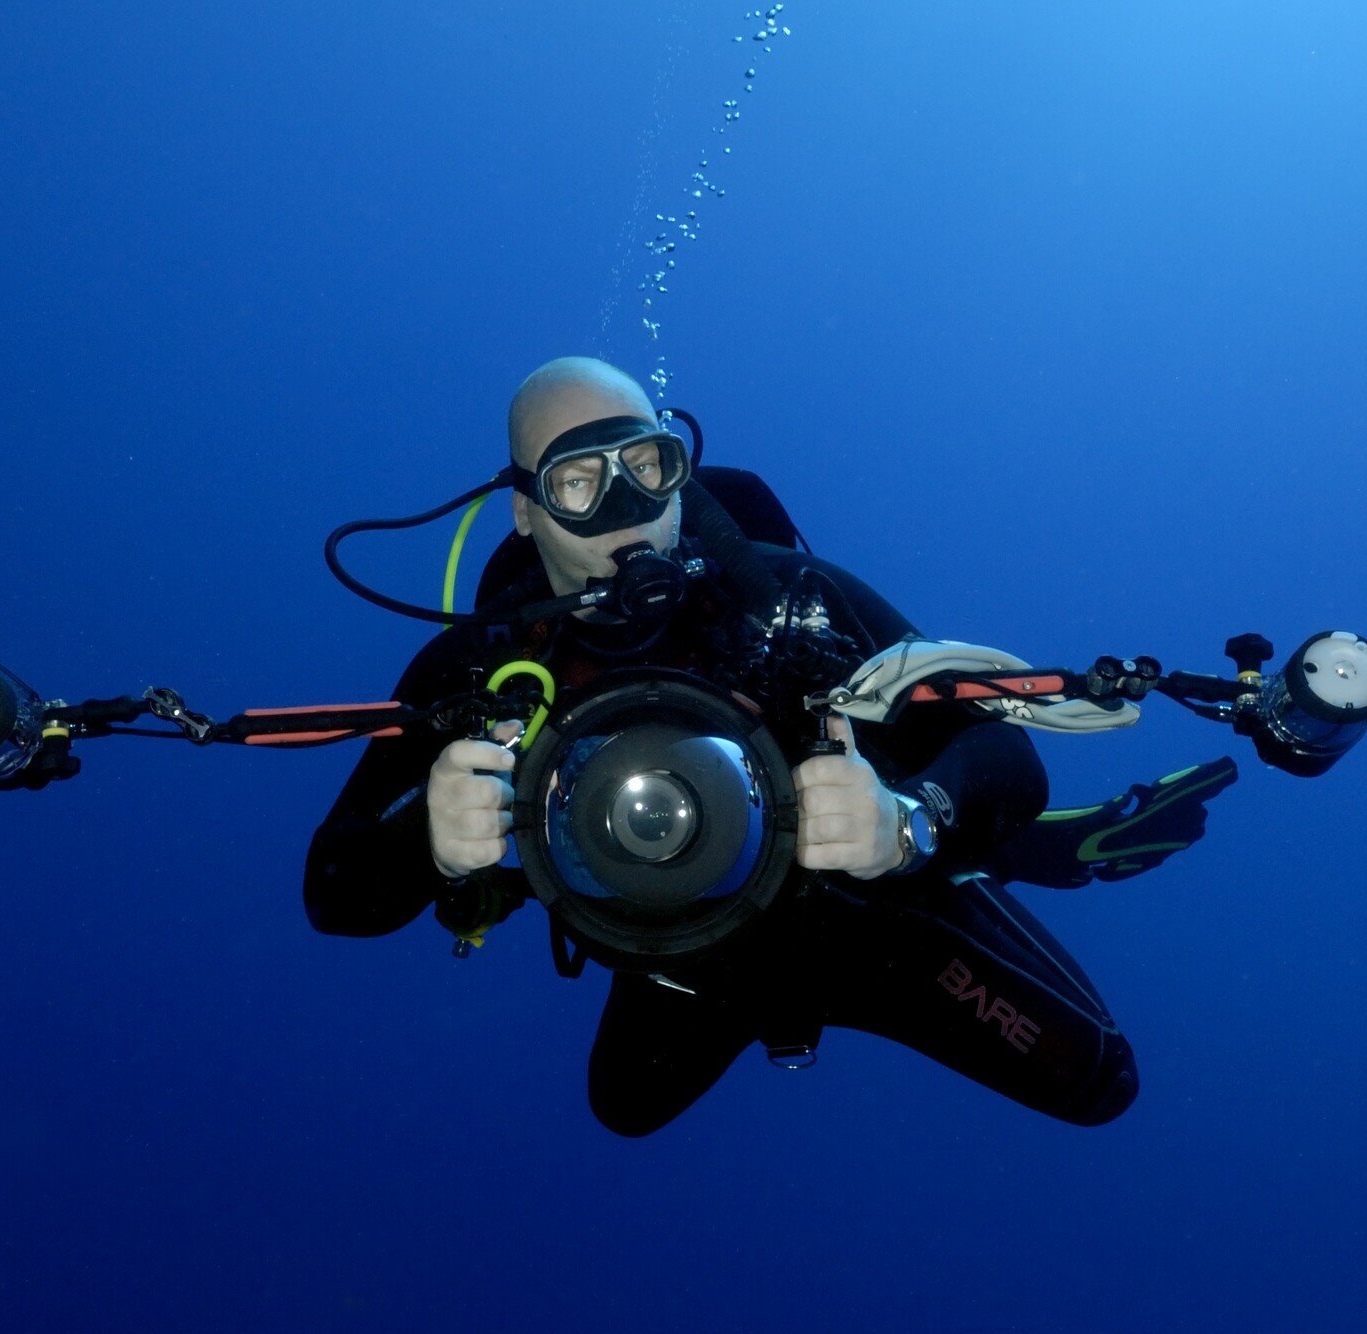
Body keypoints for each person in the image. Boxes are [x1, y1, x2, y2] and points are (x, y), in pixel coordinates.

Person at [305, 357, 1230, 1136]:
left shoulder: (792, 598)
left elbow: (1008, 753)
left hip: (873, 915)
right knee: (624, 1107)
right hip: (686, 960)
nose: (626, 505)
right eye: (577, 481)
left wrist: (910, 822)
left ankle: (1008, 849)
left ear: (680, 467)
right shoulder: (480, 673)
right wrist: (425, 837)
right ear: (523, 508)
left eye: (647, 463)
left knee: (1099, 1082)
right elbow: (333, 890)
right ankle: (987, 848)